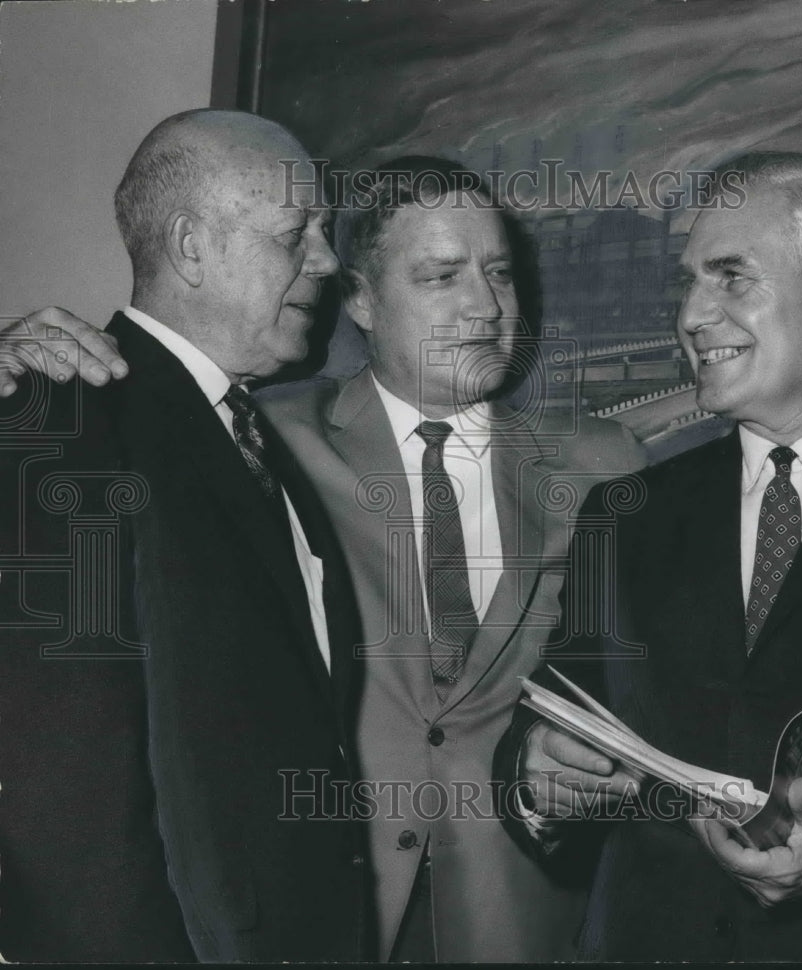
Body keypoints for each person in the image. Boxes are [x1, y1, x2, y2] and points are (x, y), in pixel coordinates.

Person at [1, 157, 645, 961]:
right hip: (316, 911)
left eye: (500, 274)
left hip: (521, 918)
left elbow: (628, 695)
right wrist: (16, 359)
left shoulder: (604, 462)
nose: (484, 307)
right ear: (364, 300)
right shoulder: (264, 436)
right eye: (442, 276)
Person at [495, 152, 802, 961]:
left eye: (731, 277)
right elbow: (551, 720)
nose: (692, 314)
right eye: (688, 281)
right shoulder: (627, 515)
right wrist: (535, 780)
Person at [0, 109, 372, 962]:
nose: (324, 259)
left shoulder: (247, 436)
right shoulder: (66, 419)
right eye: (296, 233)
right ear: (193, 245)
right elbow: (59, 788)